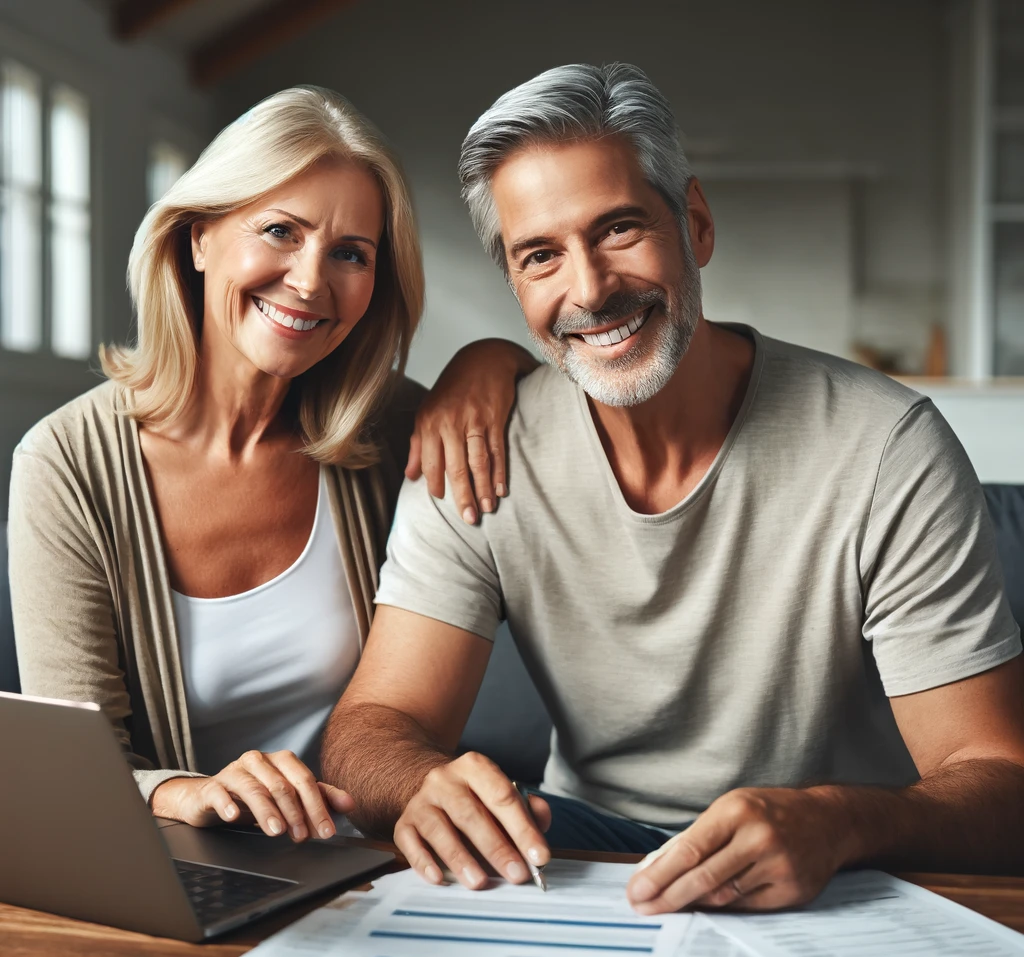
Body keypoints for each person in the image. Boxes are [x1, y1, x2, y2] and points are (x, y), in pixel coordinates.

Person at [321, 63, 1024, 913]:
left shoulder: (886, 446)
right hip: (584, 856)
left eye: (619, 230)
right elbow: (371, 727)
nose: (588, 289)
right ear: (515, 283)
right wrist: (420, 780)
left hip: (841, 869)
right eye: (540, 255)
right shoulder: (475, 449)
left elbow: (998, 781)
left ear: (694, 223)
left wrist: (838, 821)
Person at [8, 86, 535, 844]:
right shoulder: (66, 463)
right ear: (198, 239)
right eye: (280, 231)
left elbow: (539, 405)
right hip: (178, 876)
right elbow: (76, 773)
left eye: (350, 253)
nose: (311, 281)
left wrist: (491, 358)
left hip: (373, 866)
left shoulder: (392, 433)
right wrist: (185, 792)